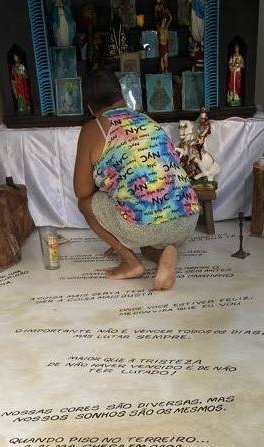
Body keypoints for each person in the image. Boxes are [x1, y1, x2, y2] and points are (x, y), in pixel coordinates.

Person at [74, 69, 200, 290]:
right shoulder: (147, 120)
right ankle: (165, 253)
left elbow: (82, 191)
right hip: (187, 218)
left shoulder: (93, 128)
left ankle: (130, 262)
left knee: (85, 204)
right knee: (144, 226)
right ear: (121, 95)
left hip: (143, 225)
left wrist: (112, 224)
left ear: (90, 108)